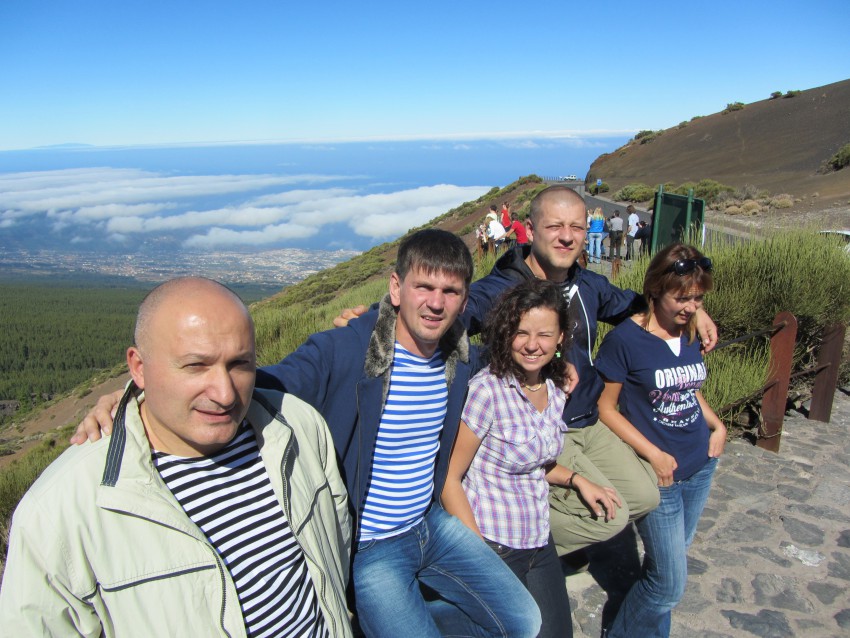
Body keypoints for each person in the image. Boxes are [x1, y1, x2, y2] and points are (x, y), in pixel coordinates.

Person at [74, 231, 541, 638]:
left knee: (525, 621)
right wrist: (143, 394)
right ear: (396, 288)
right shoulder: (345, 351)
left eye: (450, 291)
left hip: (431, 524)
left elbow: (516, 354)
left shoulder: (460, 361)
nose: (436, 303)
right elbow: (259, 383)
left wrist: (559, 369)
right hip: (372, 546)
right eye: (424, 287)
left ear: (464, 300)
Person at [2, 277, 352, 637]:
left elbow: (336, 547)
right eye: (196, 366)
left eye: (239, 364)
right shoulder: (59, 510)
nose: (225, 394)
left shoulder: (298, 427)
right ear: (139, 367)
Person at [462, 185, 719, 561]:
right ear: (530, 230)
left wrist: (694, 308)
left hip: (587, 417)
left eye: (577, 227)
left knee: (644, 496)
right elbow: (456, 314)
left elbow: (638, 305)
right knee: (611, 519)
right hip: (537, 426)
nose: (567, 237)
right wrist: (382, 318)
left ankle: (540, 530)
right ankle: (509, 539)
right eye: (555, 226)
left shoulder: (587, 284)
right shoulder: (502, 289)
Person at [442, 279, 621, 638]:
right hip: (495, 544)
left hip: (538, 538)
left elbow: (535, 463)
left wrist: (578, 480)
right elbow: (449, 478)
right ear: (506, 334)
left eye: (544, 334)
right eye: (521, 332)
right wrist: (480, 556)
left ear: (560, 338)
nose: (532, 344)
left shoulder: (555, 390)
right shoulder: (487, 391)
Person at [596, 244, 726, 637]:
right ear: (655, 289)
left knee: (667, 568)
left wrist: (717, 425)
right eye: (681, 298)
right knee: (668, 585)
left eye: (698, 299)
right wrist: (653, 454)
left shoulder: (689, 332)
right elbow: (606, 408)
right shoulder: (624, 341)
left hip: (699, 463)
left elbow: (687, 387)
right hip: (660, 475)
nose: (691, 307)